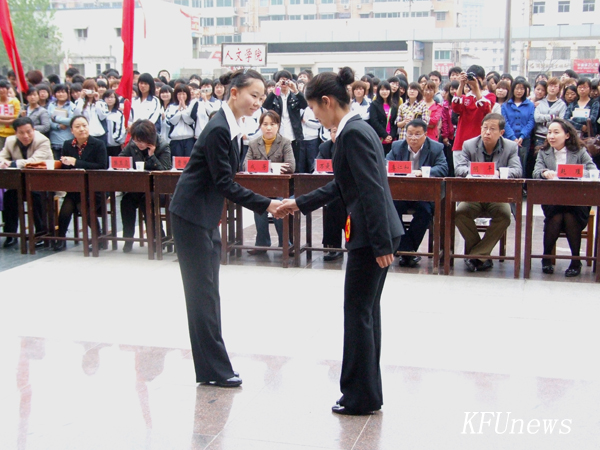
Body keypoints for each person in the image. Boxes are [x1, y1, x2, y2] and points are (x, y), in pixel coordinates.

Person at [276, 67, 403, 415]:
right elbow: (343, 184)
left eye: (314, 108)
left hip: (371, 236)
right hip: (373, 232)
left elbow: (372, 189)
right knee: (366, 313)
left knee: (358, 314)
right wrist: (299, 203)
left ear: (327, 101)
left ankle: (359, 397)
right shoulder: (355, 129)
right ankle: (366, 393)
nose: (314, 115)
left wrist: (380, 244)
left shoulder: (353, 134)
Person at [169, 69, 282, 387]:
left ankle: (212, 369)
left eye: (261, 97)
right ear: (234, 92)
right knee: (202, 296)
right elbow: (224, 182)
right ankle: (214, 371)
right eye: (253, 95)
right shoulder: (220, 128)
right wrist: (267, 204)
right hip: (191, 216)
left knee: (208, 295)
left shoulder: (235, 127)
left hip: (204, 215)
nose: (257, 102)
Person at [453, 113, 522, 272]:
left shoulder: (510, 147)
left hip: (498, 197)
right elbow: (459, 169)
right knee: (460, 214)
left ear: (501, 132)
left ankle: (476, 255)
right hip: (473, 196)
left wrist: (499, 172)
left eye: (492, 129)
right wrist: (474, 172)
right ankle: (482, 256)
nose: (487, 132)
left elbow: (517, 170)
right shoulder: (469, 144)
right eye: (485, 128)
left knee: (504, 216)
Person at [533, 118, 597, 277]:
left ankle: (575, 260)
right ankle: (547, 257)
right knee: (556, 215)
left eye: (556, 132)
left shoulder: (580, 151)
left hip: (577, 201)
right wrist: (544, 173)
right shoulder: (544, 152)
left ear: (567, 135)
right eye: (549, 132)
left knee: (569, 215)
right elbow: (536, 172)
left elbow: (593, 171)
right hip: (553, 200)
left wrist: (575, 172)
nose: (551, 136)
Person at [386, 119, 448, 267]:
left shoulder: (436, 148)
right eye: (410, 134)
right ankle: (408, 251)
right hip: (401, 193)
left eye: (417, 134)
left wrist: (423, 172)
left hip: (423, 195)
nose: (413, 138)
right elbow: (385, 163)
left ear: (425, 135)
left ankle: (404, 250)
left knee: (425, 212)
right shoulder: (397, 146)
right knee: (391, 210)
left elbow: (443, 168)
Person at [54, 115, 108, 252]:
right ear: (72, 130)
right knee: (65, 208)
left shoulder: (98, 144)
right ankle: (60, 239)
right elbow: (65, 168)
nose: (82, 129)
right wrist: (65, 163)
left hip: (95, 188)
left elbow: (102, 166)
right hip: (76, 188)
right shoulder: (67, 145)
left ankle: (98, 238)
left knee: (82, 205)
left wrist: (76, 162)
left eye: (84, 125)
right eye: (77, 127)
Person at [243, 110, 295, 254]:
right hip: (260, 188)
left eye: (272, 124)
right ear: (260, 126)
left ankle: (285, 243)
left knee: (280, 205)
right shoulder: (254, 143)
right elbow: (245, 165)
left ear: (278, 125)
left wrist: (263, 166)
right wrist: (274, 166)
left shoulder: (285, 143)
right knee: (259, 204)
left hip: (281, 189)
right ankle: (262, 243)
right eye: (265, 124)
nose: (269, 128)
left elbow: (291, 166)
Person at [118, 120, 172, 253]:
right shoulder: (132, 145)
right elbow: (120, 159)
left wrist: (152, 156)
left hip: (159, 189)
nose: (139, 144)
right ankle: (128, 239)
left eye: (142, 141)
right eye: (137, 140)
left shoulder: (163, 146)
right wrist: (123, 166)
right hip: (139, 187)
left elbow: (165, 171)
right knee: (126, 201)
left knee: (146, 200)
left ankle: (157, 237)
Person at [0, 117, 52, 247]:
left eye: (29, 132)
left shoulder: (43, 141)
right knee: (9, 196)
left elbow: (34, 161)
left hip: (43, 182)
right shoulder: (10, 141)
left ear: (34, 129)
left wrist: (12, 163)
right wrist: (3, 163)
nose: (26, 136)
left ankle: (41, 233)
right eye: (21, 133)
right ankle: (11, 235)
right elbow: (2, 157)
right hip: (20, 182)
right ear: (15, 133)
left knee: (36, 196)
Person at [313, 127, 346, 262]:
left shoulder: (351, 145)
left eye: (338, 131)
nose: (335, 134)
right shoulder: (325, 147)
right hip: (333, 189)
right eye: (333, 132)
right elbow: (317, 166)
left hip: (352, 190)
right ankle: (333, 247)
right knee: (333, 204)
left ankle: (352, 244)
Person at [263, 70, 308, 168]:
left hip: (293, 134)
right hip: (279, 134)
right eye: (282, 80)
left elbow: (304, 105)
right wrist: (275, 90)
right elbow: (266, 106)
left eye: (286, 80)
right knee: (278, 162)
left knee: (294, 163)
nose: (284, 83)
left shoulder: (294, 95)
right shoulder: (276, 96)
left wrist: (296, 90)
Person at [451, 66, 494, 152]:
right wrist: (461, 84)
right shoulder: (464, 97)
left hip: (480, 144)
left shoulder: (489, 96)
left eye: (477, 79)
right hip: (461, 144)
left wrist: (476, 88)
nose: (474, 81)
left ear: (483, 79)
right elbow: (455, 108)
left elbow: (485, 109)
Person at [502, 79, 535, 177]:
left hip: (524, 140)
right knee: (507, 163)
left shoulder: (530, 105)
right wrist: (513, 137)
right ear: (512, 89)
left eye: (522, 89)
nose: (519, 91)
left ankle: (521, 184)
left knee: (522, 164)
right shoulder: (505, 105)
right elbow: (505, 122)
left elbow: (531, 121)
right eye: (517, 88)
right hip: (508, 139)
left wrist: (522, 136)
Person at [534, 77, 566, 147]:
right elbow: (536, 118)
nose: (552, 88)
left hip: (555, 137)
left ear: (559, 89)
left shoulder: (562, 104)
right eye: (551, 86)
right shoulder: (539, 103)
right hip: (540, 136)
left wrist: (543, 121)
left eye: (555, 86)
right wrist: (552, 117)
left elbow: (561, 121)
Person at [165, 84, 196, 157]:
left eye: (183, 94)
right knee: (176, 161)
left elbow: (190, 120)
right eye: (179, 94)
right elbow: (172, 121)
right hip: (175, 139)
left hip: (189, 139)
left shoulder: (191, 106)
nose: (181, 96)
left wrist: (184, 108)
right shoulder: (171, 107)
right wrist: (179, 109)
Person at [368, 80, 397, 155]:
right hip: (379, 138)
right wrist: (385, 135)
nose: (385, 92)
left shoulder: (393, 106)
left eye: (387, 89)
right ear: (378, 91)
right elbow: (374, 122)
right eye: (382, 89)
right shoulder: (374, 104)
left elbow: (395, 122)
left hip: (391, 140)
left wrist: (391, 136)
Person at [48, 84, 74, 160]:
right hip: (54, 139)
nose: (61, 94)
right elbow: (48, 120)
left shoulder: (71, 106)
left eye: (63, 92)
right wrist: (58, 126)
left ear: (67, 93)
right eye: (58, 92)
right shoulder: (51, 105)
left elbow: (72, 120)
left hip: (68, 139)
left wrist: (56, 118)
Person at [103, 89, 127, 157]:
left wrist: (115, 140)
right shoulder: (101, 112)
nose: (109, 99)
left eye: (112, 97)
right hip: (102, 144)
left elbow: (121, 129)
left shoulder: (118, 114)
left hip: (115, 145)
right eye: (107, 97)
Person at [0, 79, 21, 150]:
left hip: (13, 133)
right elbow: (13, 117)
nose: (1, 90)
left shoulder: (14, 101)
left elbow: (16, 117)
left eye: (3, 88)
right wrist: (10, 118)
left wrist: (1, 119)